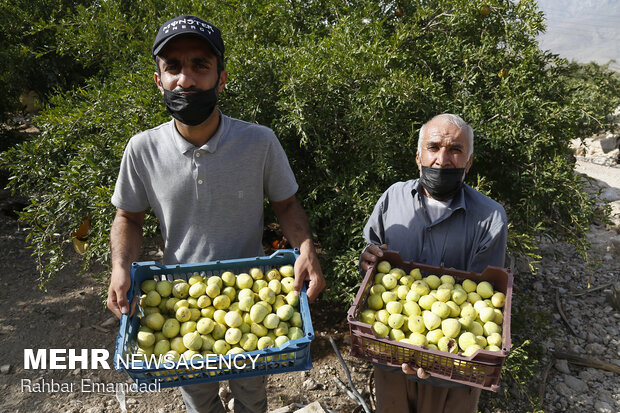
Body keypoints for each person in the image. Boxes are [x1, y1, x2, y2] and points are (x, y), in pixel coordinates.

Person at [106, 15, 325, 413]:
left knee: (252, 395)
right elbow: (128, 218)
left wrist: (305, 247)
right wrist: (121, 265)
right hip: (176, 297)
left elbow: (287, 204)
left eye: (200, 66)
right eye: (173, 67)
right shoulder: (142, 149)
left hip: (254, 293)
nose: (186, 80)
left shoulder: (259, 142)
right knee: (198, 399)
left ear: (221, 78)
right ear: (159, 81)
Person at [360, 113, 508, 413]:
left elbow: (483, 301)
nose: (443, 159)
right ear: (418, 156)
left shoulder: (490, 217)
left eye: (455, 150)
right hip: (391, 356)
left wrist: (437, 355)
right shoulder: (392, 199)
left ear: (468, 162)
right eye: (434, 147)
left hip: (453, 370)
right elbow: (370, 261)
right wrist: (367, 260)